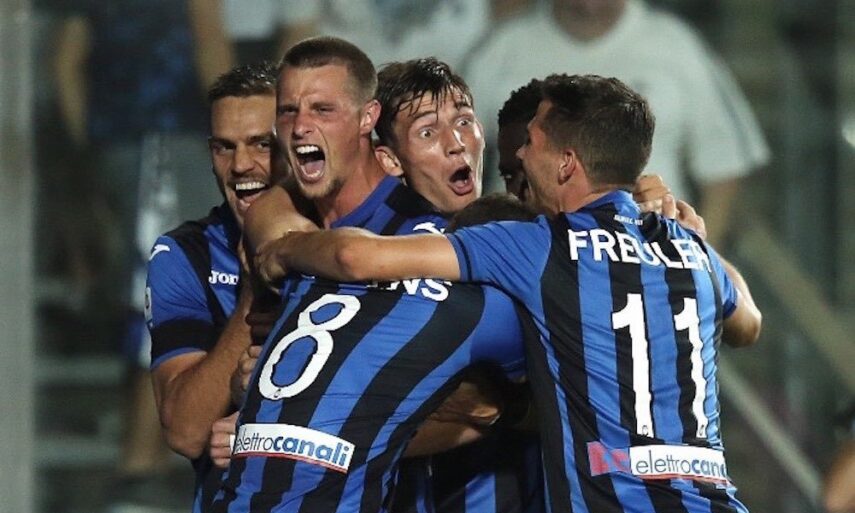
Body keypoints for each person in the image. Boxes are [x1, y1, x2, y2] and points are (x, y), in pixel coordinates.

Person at [254, 74, 764, 513]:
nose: (519, 153)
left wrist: (284, 249)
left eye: (532, 142)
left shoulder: (538, 245)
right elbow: (748, 322)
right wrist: (697, 240)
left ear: (566, 164)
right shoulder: (688, 248)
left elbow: (355, 257)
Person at [464, 0, 769, 246]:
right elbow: (452, 156)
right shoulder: (500, 48)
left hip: (649, 272)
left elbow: (723, 168)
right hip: (518, 267)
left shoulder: (677, 47)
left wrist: (698, 262)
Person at [146, 62, 287, 513]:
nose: (241, 165)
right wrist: (254, 291)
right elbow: (186, 432)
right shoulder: (185, 255)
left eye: (261, 144)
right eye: (225, 147)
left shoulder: (352, 244)